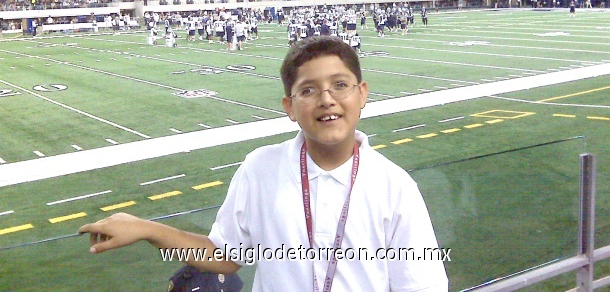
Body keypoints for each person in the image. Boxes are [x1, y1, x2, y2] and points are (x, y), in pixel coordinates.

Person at [78, 36, 448, 292]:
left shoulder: (394, 186)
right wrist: (146, 229)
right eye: (308, 90)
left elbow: (421, 284)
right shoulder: (261, 168)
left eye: (340, 85)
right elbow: (225, 256)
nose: (326, 99)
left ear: (362, 94)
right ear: (289, 107)